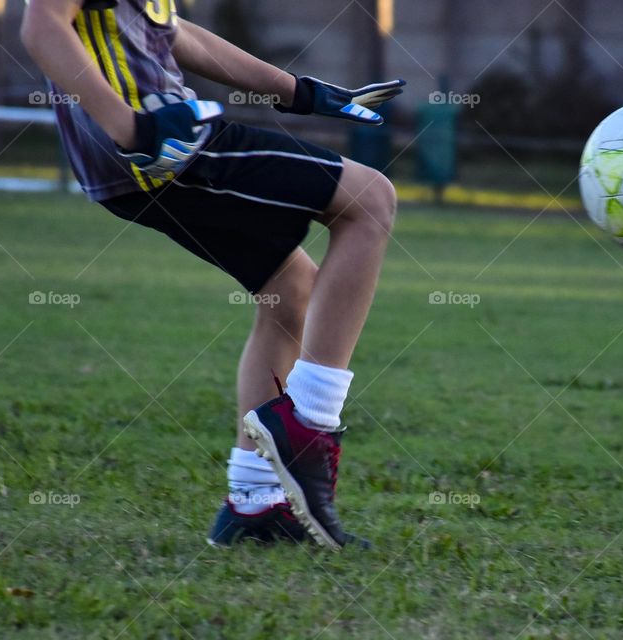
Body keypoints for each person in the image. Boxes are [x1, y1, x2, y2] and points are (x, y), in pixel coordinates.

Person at [21, 0, 405, 550]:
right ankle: (310, 423)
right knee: (370, 200)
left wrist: (297, 91)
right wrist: (128, 127)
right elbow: (41, 24)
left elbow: (170, 34)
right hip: (161, 148)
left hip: (146, 155)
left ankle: (254, 504)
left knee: (289, 291)